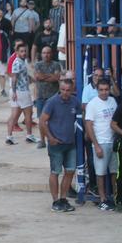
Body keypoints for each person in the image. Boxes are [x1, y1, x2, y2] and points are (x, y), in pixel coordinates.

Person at [40, 80, 79, 212]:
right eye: (63, 89)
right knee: (55, 172)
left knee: (70, 171)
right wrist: (50, 138)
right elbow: (42, 121)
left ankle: (63, 199)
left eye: (68, 90)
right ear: (59, 89)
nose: (65, 92)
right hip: (56, 144)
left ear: (72, 89)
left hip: (70, 143)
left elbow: (81, 116)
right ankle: (55, 201)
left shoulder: (74, 101)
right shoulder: (52, 102)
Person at [85, 79, 119, 211]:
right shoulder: (92, 104)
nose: (104, 92)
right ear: (97, 90)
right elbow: (89, 125)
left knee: (114, 172)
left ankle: (115, 197)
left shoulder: (112, 101)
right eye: (101, 90)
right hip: (101, 142)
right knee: (100, 173)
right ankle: (103, 199)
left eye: (106, 89)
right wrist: (96, 145)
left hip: (112, 141)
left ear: (109, 89)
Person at [32, 46, 63, 148]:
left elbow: (56, 78)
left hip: (53, 97)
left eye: (48, 53)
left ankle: (54, 138)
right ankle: (42, 140)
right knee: (41, 120)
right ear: (41, 54)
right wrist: (50, 76)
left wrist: (43, 76)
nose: (46, 55)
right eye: (44, 53)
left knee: (54, 119)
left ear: (51, 54)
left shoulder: (56, 64)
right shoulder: (38, 65)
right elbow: (37, 77)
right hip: (41, 97)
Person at [7, 44, 35, 145]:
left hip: (17, 91)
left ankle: (9, 137)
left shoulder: (21, 62)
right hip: (22, 91)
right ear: (17, 52)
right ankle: (29, 135)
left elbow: (22, 75)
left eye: (25, 51)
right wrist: (14, 92)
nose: (24, 53)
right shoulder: (17, 62)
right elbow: (14, 78)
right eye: (21, 51)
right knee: (28, 114)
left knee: (14, 115)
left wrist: (30, 79)